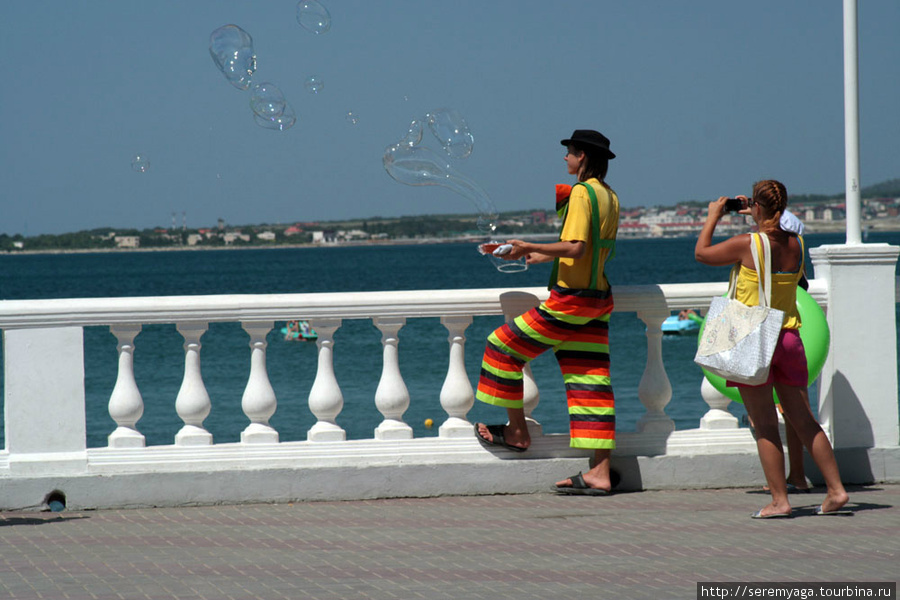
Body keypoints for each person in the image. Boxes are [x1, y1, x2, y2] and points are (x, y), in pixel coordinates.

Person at [474, 129, 620, 495]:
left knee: (501, 347)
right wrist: (539, 255)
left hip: (570, 302)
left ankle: (517, 432)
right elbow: (591, 250)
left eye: (569, 152)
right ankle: (600, 471)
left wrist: (526, 243)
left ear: (582, 156)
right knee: (590, 382)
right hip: (597, 299)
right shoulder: (609, 195)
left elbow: (576, 247)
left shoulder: (583, 193)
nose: (565, 159)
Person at [695, 179, 849, 518]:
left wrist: (713, 216)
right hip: (790, 337)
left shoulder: (747, 244)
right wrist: (761, 215)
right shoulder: (796, 243)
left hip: (755, 338)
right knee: (804, 421)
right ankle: (836, 491)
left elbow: (702, 254)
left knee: (764, 424)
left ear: (758, 206)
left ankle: (780, 501)